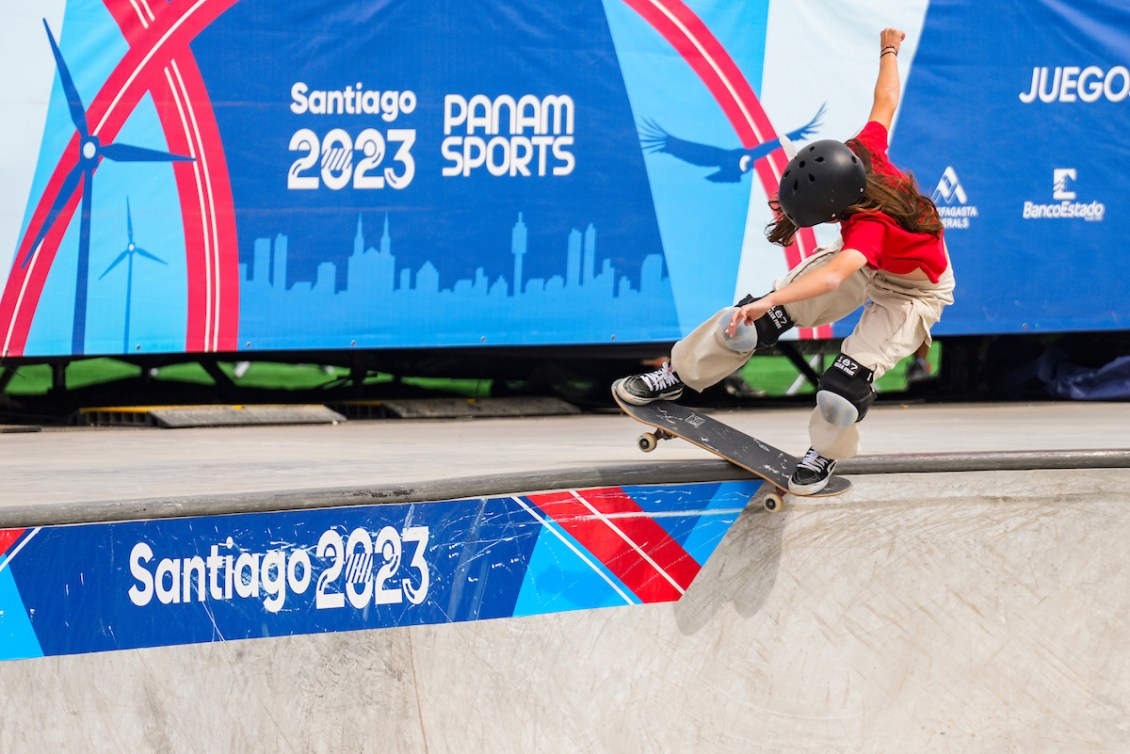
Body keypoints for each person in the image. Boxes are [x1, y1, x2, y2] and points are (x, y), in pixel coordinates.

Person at [613, 27, 955, 495]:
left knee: (840, 394)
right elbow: (886, 101)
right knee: (750, 322)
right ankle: (678, 375)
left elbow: (836, 275)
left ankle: (824, 453)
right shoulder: (862, 150)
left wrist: (773, 297)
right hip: (866, 262)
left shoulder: (869, 226)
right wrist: (888, 49)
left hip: (913, 292)